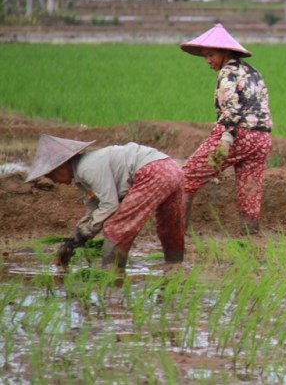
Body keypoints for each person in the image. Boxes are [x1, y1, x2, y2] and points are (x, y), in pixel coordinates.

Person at [25, 134, 185, 271]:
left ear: (61, 166)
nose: (54, 181)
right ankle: (174, 267)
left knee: (117, 227)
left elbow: (109, 206)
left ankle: (112, 277)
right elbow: (94, 209)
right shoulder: (84, 174)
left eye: (51, 176)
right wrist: (74, 240)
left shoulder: (87, 168)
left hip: (152, 172)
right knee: (169, 225)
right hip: (173, 169)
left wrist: (83, 235)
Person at [180, 23, 272, 235]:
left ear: (225, 52)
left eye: (211, 55)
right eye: (205, 56)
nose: (208, 61)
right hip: (262, 138)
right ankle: (250, 238)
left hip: (238, 134)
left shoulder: (228, 73)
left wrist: (225, 141)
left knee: (185, 179)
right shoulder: (253, 72)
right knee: (250, 191)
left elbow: (231, 110)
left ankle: (176, 237)